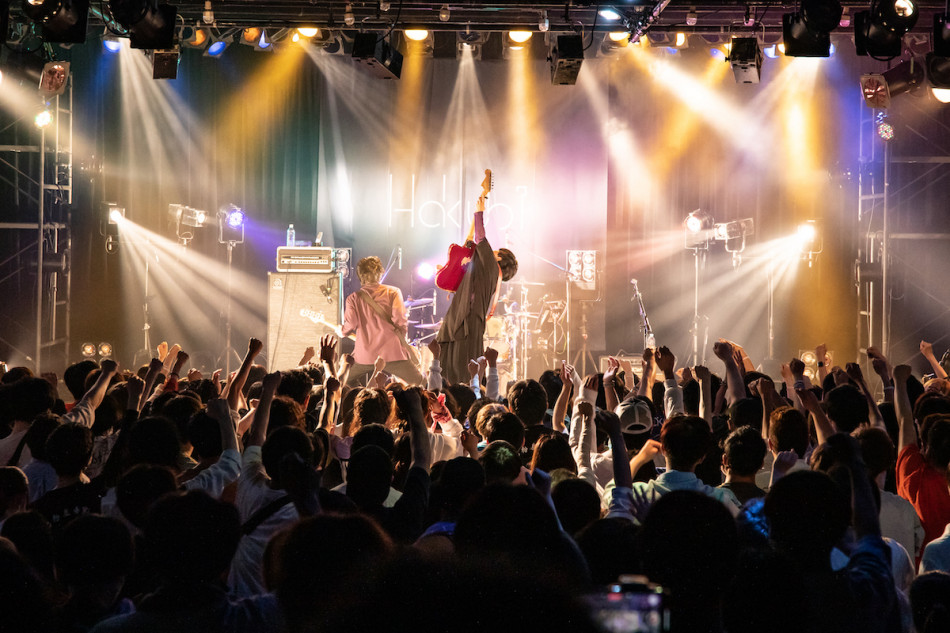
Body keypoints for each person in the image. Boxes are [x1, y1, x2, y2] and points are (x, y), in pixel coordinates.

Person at [435, 194, 518, 384]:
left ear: (498, 259)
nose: (491, 252)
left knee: (457, 366)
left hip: (466, 320)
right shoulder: (488, 274)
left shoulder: (491, 266)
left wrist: (479, 212)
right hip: (467, 320)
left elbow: (480, 237)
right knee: (460, 366)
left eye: (495, 252)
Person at [341, 256, 424, 386]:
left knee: (343, 381)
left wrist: (342, 331)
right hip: (393, 353)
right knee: (421, 383)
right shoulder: (393, 292)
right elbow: (400, 321)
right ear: (380, 273)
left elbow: (351, 324)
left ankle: (364, 397)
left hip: (365, 356)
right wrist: (404, 344)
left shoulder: (353, 298)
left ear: (360, 275)